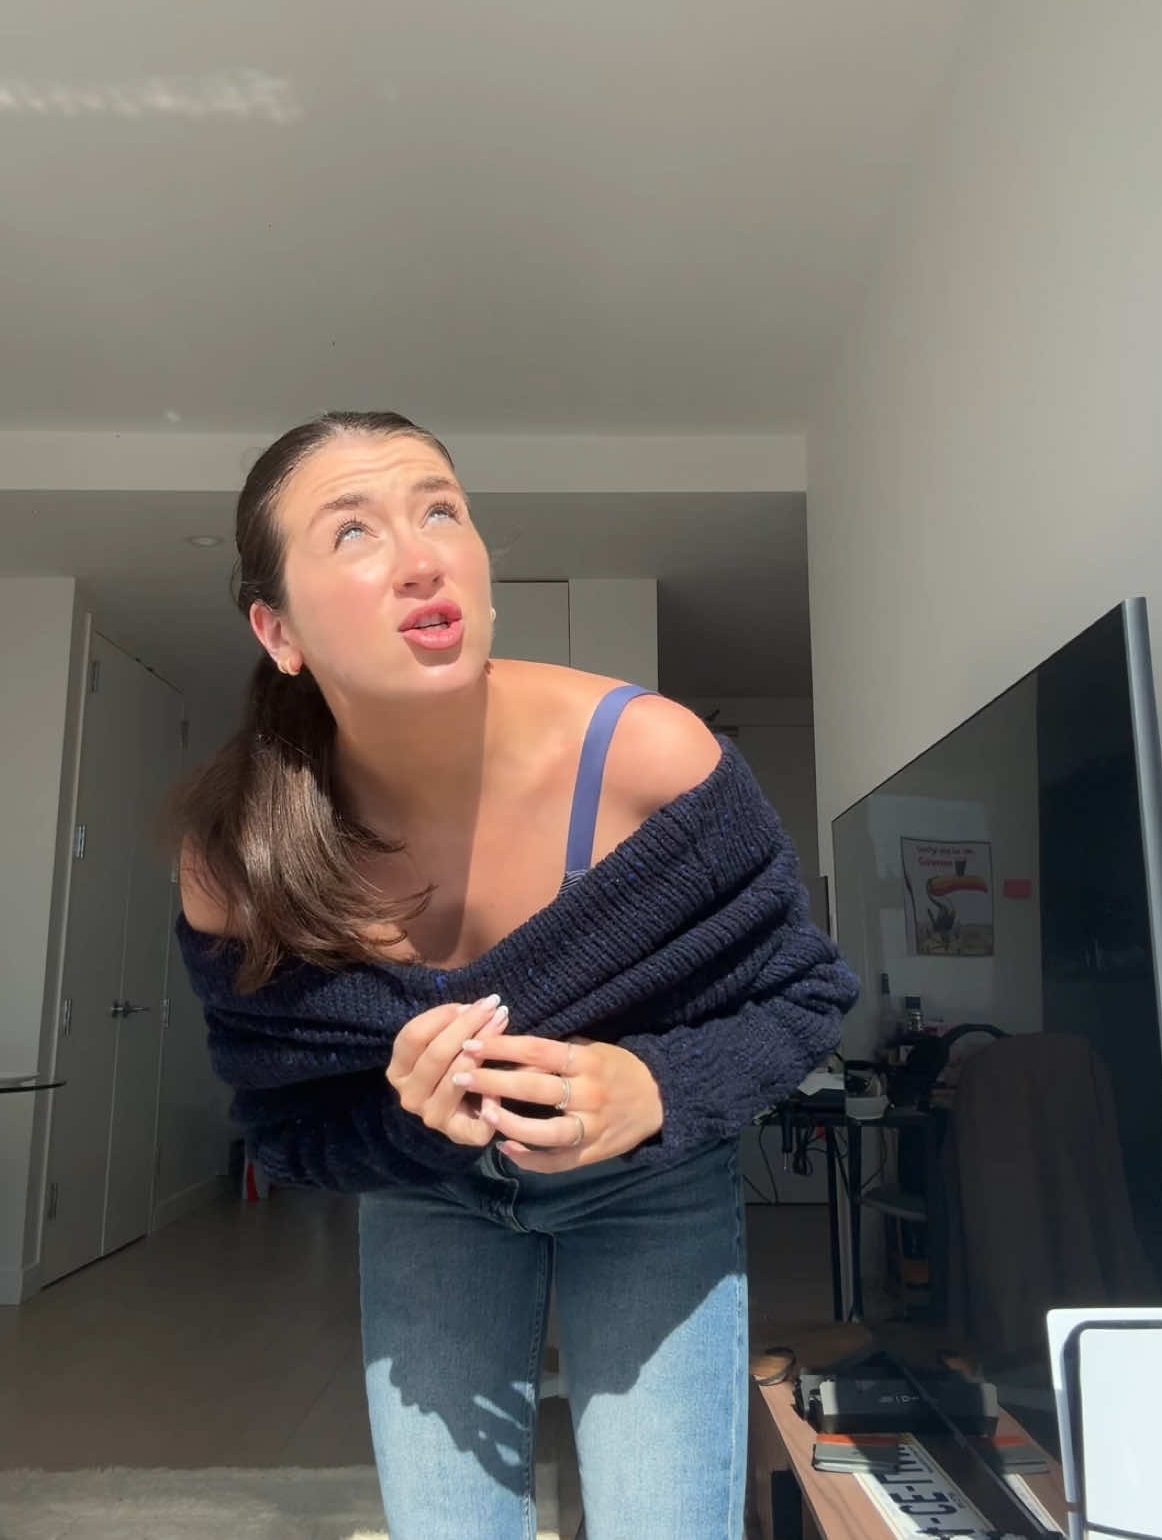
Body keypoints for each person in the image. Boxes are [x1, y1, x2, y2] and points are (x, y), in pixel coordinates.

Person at [172, 410, 858, 1540]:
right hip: (424, 1198)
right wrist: (407, 1125)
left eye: (441, 509)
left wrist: (656, 1088)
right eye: (353, 531)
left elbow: (805, 993)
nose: (421, 555)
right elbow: (284, 1126)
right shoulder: (239, 860)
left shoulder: (652, 760)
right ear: (277, 629)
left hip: (649, 1186)